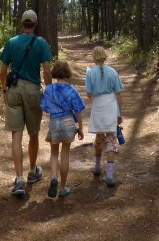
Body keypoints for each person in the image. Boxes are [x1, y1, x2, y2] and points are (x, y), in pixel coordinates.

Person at [0, 9, 53, 197]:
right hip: (32, 91)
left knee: (16, 135)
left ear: (22, 23)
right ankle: (32, 171)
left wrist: (5, 90)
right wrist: (50, 90)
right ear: (36, 24)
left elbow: (2, 71)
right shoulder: (41, 43)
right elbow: (46, 70)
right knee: (34, 133)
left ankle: (19, 178)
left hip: (14, 90)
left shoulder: (12, 42)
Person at [40, 60, 85, 198]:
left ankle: (54, 176)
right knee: (65, 155)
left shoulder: (49, 89)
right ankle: (63, 187)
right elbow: (78, 110)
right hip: (67, 121)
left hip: (54, 122)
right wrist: (81, 128)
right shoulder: (71, 90)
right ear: (67, 73)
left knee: (54, 153)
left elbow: (45, 108)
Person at [85, 45, 124, 187]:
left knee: (99, 137)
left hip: (98, 108)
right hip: (111, 108)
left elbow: (89, 94)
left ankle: (97, 166)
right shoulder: (113, 72)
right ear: (105, 56)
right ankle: (109, 175)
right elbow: (119, 94)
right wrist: (120, 113)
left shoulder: (90, 73)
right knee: (111, 140)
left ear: (94, 57)